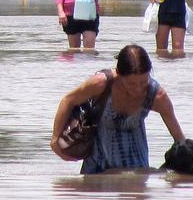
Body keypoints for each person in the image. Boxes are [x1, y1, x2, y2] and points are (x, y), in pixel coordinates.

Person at [50, 44, 186, 174]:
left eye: (143, 82)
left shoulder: (157, 96)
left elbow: (179, 139)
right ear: (119, 74)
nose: (138, 89)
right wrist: (55, 140)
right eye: (131, 83)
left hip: (136, 166)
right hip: (97, 159)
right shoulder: (101, 84)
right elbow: (68, 100)